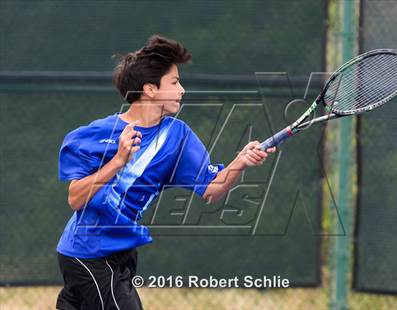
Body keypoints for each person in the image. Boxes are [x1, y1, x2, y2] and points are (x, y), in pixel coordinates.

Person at [56, 35, 276, 310]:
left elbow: (212, 189)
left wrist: (240, 161)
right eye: (174, 82)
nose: (182, 90)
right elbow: (75, 198)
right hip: (87, 253)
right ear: (150, 89)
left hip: (122, 253)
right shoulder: (95, 135)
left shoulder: (177, 136)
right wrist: (118, 161)